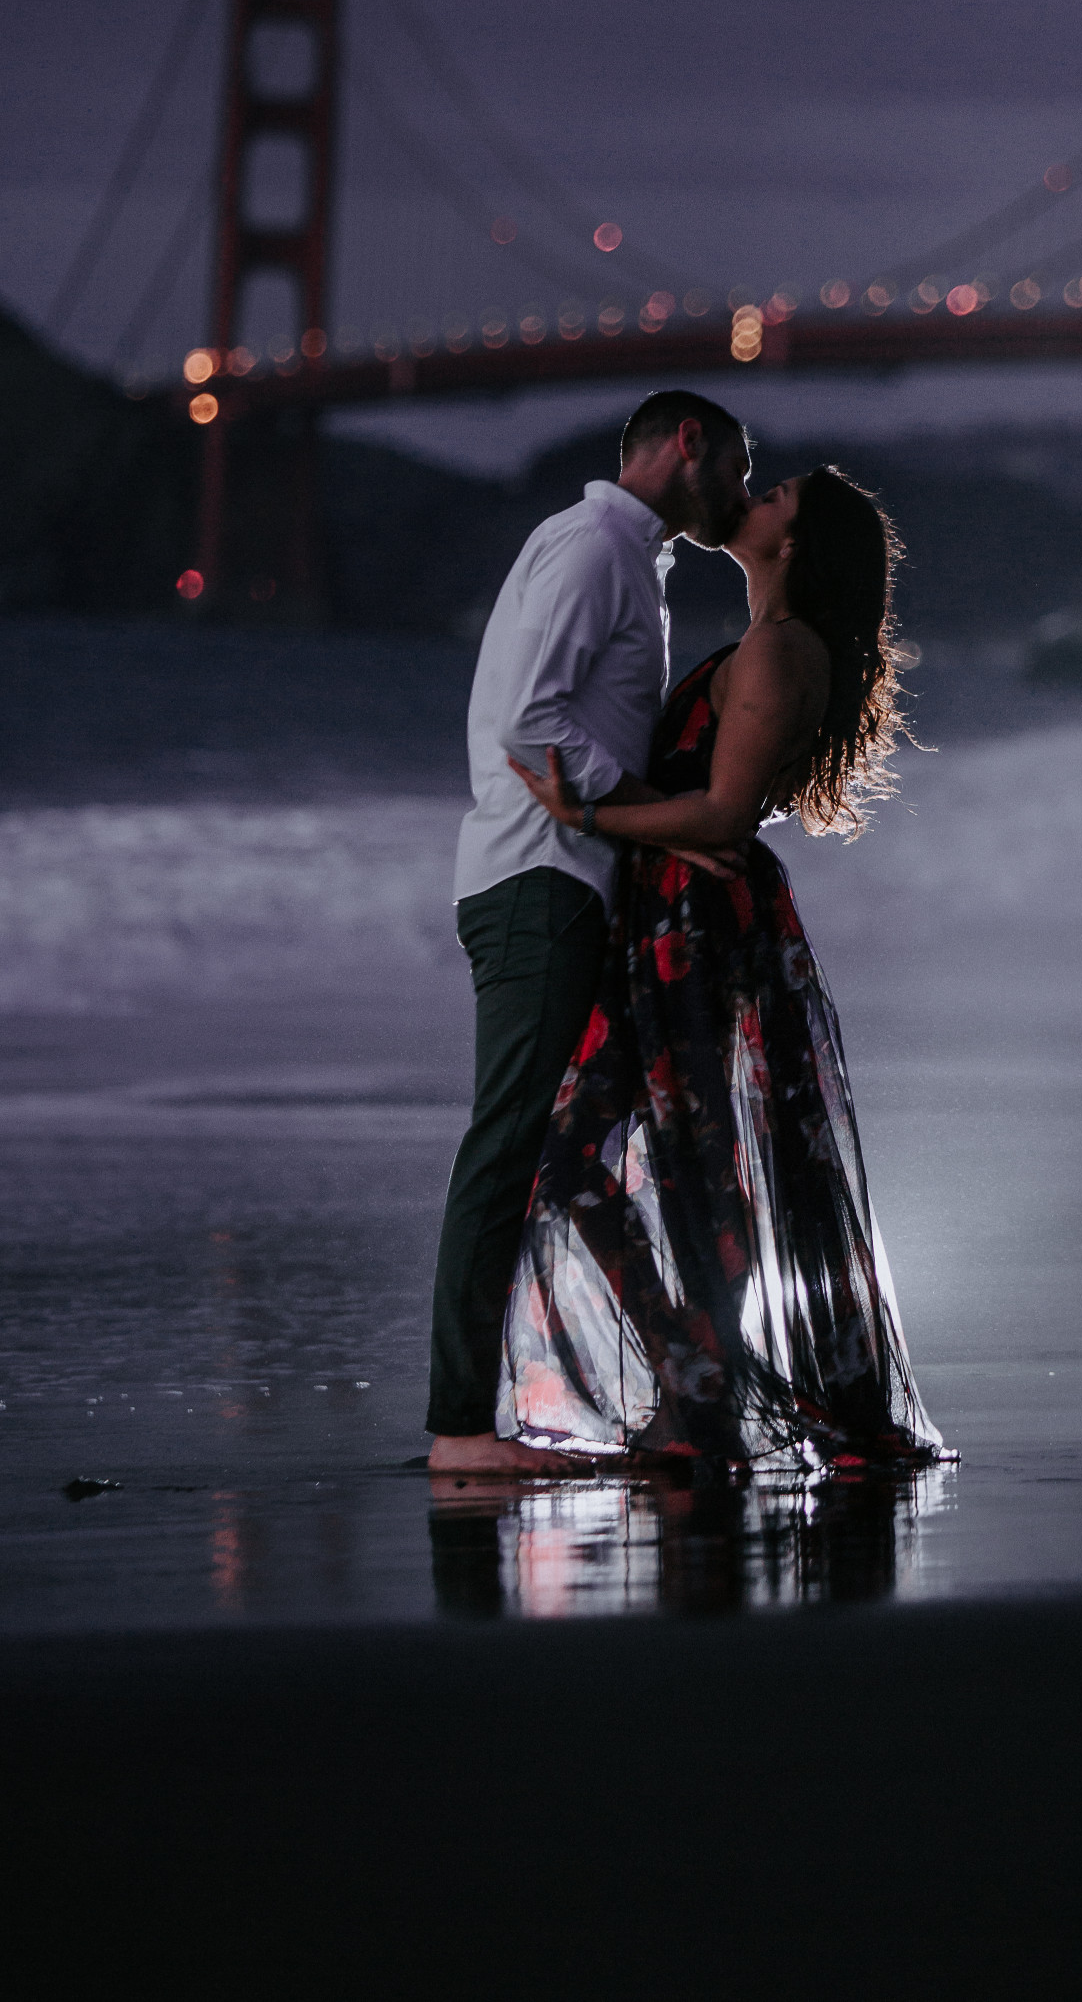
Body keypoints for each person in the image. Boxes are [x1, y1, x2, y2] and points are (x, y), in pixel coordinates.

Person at [501, 464, 948, 1470]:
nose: (752, 494)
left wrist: (580, 811)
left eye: (776, 492)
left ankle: (697, 1389)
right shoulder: (768, 644)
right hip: (673, 913)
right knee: (649, 1155)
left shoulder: (784, 650)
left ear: (794, 540)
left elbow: (721, 813)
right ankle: (694, 1382)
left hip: (698, 920)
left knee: (658, 1155)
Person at [425, 389, 754, 1478]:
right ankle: (461, 1429)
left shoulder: (628, 557)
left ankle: (618, 1383)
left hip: (561, 880)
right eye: (736, 470)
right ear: (687, 444)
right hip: (540, 879)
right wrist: (636, 801)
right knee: (508, 1144)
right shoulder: (591, 546)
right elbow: (528, 716)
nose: (739, 497)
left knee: (546, 1149)